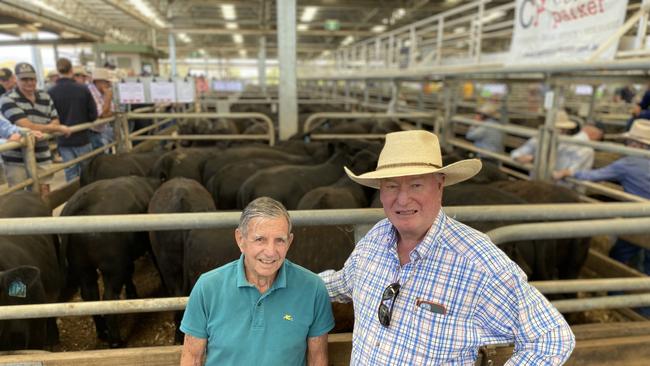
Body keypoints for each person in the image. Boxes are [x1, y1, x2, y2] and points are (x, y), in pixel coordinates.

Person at [320, 130, 575, 364]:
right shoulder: (376, 239)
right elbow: (344, 283)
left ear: (439, 185)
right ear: (381, 192)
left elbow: (552, 338)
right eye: (391, 186)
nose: (403, 199)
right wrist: (283, 278)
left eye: (416, 185)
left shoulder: (477, 261)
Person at [180, 197, 334, 366]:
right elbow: (192, 359)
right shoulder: (207, 287)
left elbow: (317, 359)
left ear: (289, 242)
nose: (270, 251)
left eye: (279, 240)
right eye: (260, 239)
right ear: (240, 239)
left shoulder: (313, 289)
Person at [554, 119, 650, 277]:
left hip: (638, 219)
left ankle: (616, 295)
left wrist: (570, 173)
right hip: (643, 216)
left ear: (636, 145)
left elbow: (596, 175)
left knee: (618, 257)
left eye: (629, 142)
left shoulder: (627, 164)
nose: (627, 145)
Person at [0, 62, 71, 195]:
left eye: (32, 79)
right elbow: (26, 125)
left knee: (44, 191)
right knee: (19, 195)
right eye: (24, 79)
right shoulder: (7, 99)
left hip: (41, 154)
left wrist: (54, 127)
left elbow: (56, 120)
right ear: (16, 79)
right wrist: (56, 128)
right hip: (16, 158)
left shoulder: (45, 96)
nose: (29, 82)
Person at [48, 58, 98, 182]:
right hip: (82, 138)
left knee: (70, 172)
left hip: (63, 140)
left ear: (58, 71)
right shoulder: (82, 89)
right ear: (72, 70)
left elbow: (48, 117)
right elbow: (93, 115)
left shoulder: (50, 92)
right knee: (87, 171)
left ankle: (74, 197)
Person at [511, 110, 602, 176]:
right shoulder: (538, 140)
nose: (560, 131)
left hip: (562, 186)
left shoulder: (575, 145)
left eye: (563, 129)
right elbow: (516, 153)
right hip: (539, 181)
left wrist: (563, 173)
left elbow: (574, 170)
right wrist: (520, 158)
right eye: (558, 128)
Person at [87, 68, 116, 150]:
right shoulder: (90, 93)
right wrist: (108, 99)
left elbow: (112, 111)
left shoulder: (103, 92)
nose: (109, 84)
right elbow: (101, 114)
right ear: (98, 82)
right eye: (107, 82)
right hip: (91, 132)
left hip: (100, 130)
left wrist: (106, 113)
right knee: (97, 157)